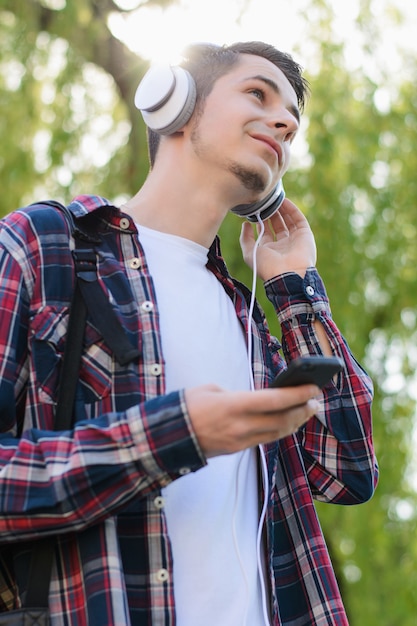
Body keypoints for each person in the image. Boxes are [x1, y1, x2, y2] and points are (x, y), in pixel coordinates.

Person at [0, 41, 378, 625]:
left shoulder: (247, 314)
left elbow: (345, 468)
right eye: (258, 93)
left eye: (292, 122)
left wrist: (295, 288)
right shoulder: (46, 247)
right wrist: (171, 436)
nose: (284, 121)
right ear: (173, 103)